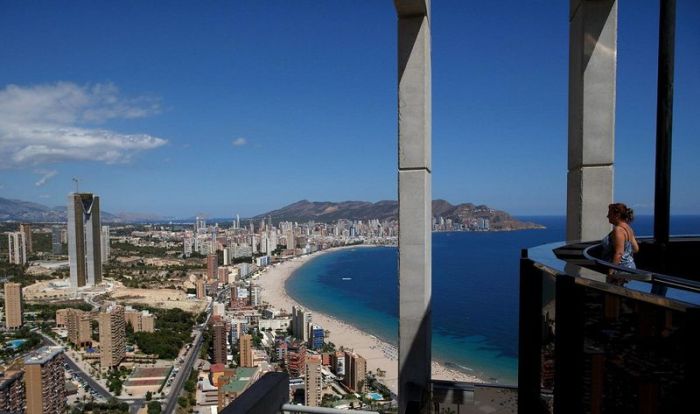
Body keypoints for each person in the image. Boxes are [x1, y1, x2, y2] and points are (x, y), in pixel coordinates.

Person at [601, 203, 639, 271]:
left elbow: (619, 253)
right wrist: (626, 253)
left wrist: (611, 271)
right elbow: (635, 249)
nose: (607, 216)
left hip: (620, 269)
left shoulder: (618, 230)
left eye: (610, 214)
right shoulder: (628, 228)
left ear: (617, 215)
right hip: (630, 267)